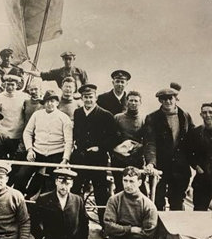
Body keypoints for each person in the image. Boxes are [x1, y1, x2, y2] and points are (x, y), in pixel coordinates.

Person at [71, 84, 118, 231]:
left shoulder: (106, 115)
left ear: (96, 98)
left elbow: (114, 138)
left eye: (91, 97)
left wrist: (100, 147)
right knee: (75, 190)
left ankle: (105, 226)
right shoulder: (78, 113)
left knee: (100, 192)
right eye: (85, 97)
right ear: (82, 98)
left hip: (97, 159)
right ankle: (73, 222)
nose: (88, 100)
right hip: (80, 158)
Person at [144, 86, 194, 210]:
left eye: (170, 98)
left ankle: (176, 229)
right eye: (164, 99)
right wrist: (151, 163)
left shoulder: (185, 116)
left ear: (175, 98)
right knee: (157, 200)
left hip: (180, 168)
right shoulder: (152, 118)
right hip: (160, 167)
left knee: (177, 201)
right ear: (160, 101)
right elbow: (150, 142)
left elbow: (192, 140)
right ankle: (158, 229)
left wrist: (196, 163)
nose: (167, 102)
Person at [15, 90, 73, 194]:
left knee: (52, 182)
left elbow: (69, 141)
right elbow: (27, 132)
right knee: (21, 175)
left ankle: (42, 205)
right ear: (43, 103)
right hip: (37, 152)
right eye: (47, 101)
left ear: (57, 103)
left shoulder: (64, 118)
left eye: (52, 101)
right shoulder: (37, 115)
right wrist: (29, 150)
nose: (49, 104)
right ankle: (21, 201)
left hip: (56, 154)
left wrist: (65, 159)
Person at [101, 166, 158, 239]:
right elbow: (108, 227)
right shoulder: (114, 200)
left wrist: (119, 232)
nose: (128, 185)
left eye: (132, 181)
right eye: (125, 180)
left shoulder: (148, 206)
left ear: (139, 183)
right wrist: (130, 229)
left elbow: (147, 236)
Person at [31, 168, 89, 239]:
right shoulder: (44, 199)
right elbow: (34, 222)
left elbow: (84, 224)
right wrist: (41, 238)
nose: (63, 187)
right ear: (56, 182)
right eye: (61, 182)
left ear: (72, 184)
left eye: (67, 184)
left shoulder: (78, 200)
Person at [112, 91, 146, 194]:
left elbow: (147, 141)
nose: (133, 103)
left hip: (136, 160)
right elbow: (112, 137)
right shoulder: (118, 118)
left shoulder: (144, 119)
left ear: (140, 102)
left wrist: (138, 147)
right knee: (120, 187)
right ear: (127, 102)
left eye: (136, 101)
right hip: (119, 160)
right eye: (131, 100)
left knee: (138, 188)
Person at [0, 74, 29, 155]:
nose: (10, 87)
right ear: (4, 85)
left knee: (16, 158)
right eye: (8, 84)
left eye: (12, 85)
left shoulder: (24, 97)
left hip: (18, 134)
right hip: (2, 134)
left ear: (17, 85)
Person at [188, 102, 212, 210]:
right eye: (204, 112)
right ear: (201, 114)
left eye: (210, 112)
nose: (207, 115)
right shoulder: (196, 133)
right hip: (202, 179)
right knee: (199, 212)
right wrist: (196, 166)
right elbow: (188, 153)